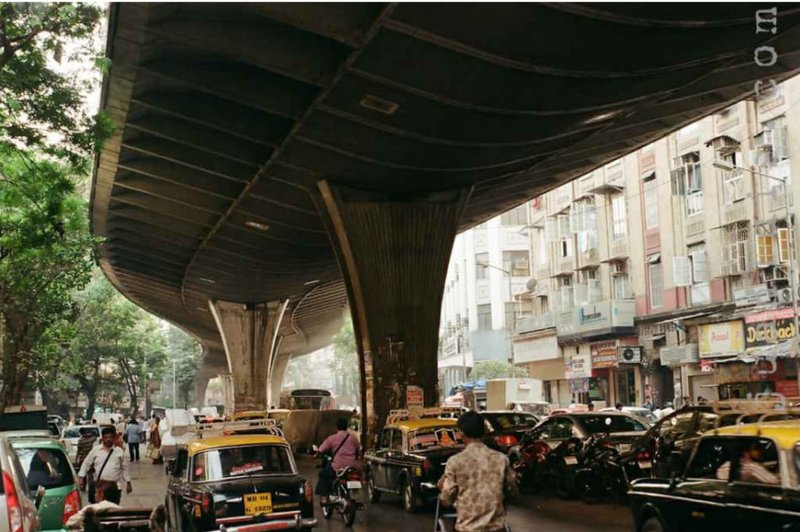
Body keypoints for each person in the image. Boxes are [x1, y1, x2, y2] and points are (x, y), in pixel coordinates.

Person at [438, 410, 517, 531]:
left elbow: (446, 499)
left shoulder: (455, 462)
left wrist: (442, 488)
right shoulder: (501, 459)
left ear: (462, 433)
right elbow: (512, 490)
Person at [78, 427, 132, 504]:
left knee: (112, 510)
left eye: (110, 437)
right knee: (97, 511)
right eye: (106, 437)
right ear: (102, 438)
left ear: (113, 438)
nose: (108, 439)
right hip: (99, 488)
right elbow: (86, 463)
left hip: (114, 488)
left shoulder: (119, 451)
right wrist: (81, 478)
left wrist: (128, 483)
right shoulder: (96, 450)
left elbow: (125, 468)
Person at [315, 418, 359, 502]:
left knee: (323, 474)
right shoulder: (354, 438)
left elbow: (320, 451)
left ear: (337, 427)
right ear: (346, 427)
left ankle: (324, 498)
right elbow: (358, 452)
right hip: (352, 467)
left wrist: (316, 455)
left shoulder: (332, 438)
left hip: (337, 467)